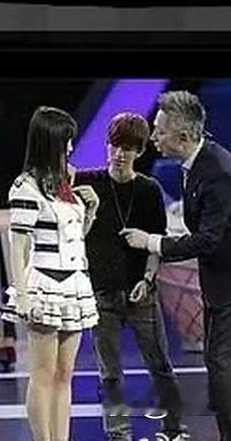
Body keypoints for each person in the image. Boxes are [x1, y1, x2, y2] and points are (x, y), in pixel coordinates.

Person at [123, 90, 231, 441]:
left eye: (160, 131)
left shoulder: (218, 172)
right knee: (222, 365)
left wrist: (152, 243)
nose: (153, 137)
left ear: (182, 136)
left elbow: (208, 239)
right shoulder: (197, 163)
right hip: (223, 276)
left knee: (223, 365)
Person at [76, 113, 186, 441]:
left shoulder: (148, 190)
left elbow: (156, 242)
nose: (119, 153)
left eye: (128, 148)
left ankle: (173, 428)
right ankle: (118, 434)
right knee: (109, 373)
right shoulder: (88, 182)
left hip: (141, 292)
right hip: (101, 292)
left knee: (160, 365)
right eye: (115, 145)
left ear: (139, 151)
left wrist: (148, 279)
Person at [8, 106, 99, 441]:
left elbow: (73, 240)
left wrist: (90, 211)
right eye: (65, 141)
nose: (71, 147)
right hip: (45, 284)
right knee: (43, 374)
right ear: (49, 142)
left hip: (73, 284)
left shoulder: (65, 182)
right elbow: (18, 245)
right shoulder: (26, 187)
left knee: (65, 374)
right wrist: (22, 295)